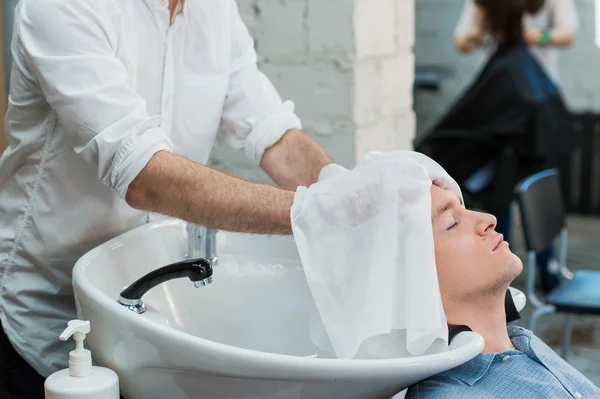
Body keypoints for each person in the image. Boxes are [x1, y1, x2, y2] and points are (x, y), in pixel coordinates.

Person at [0, 0, 338, 396]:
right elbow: (145, 177)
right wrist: (315, 213)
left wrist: (347, 194)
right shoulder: (62, 7)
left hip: (148, 315)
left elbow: (275, 137)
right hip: (49, 323)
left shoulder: (214, 12)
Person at [406, 184, 600, 398]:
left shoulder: (521, 341)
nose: (489, 219)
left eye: (465, 207)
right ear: (413, 279)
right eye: (452, 223)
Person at [452, 0, 578, 294]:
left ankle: (549, 271)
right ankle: (498, 275)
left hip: (535, 115)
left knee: (539, 195)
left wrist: (528, 35)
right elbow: (461, 41)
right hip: (500, 111)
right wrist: (484, 31)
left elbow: (566, 35)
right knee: (499, 195)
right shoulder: (482, 3)